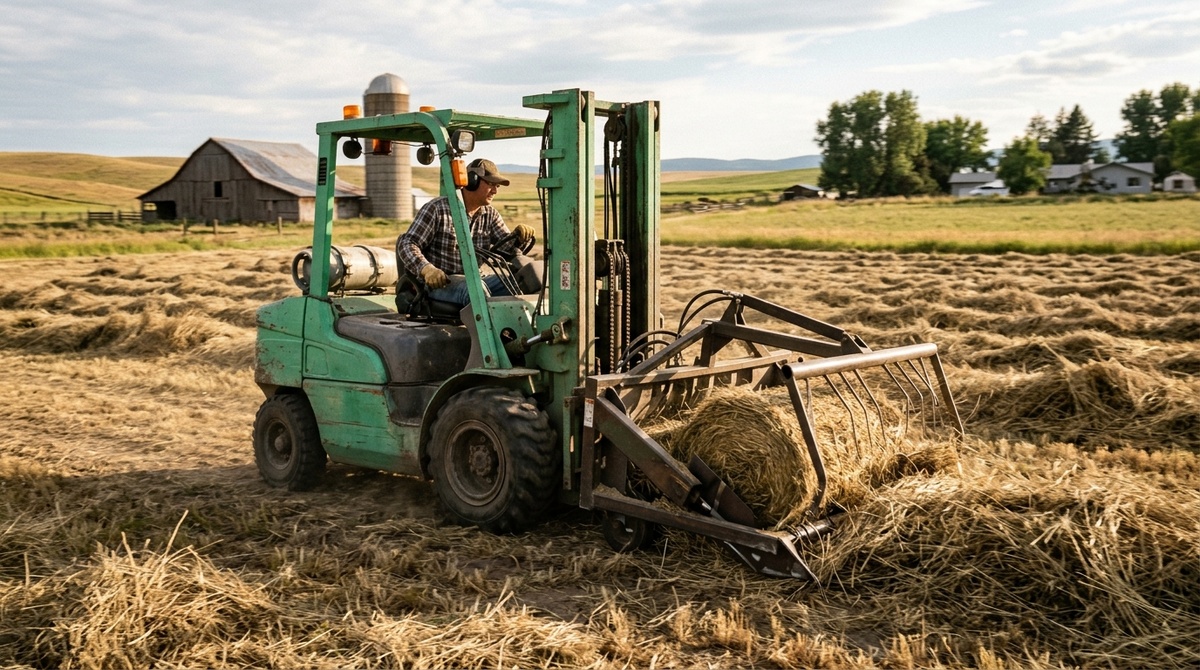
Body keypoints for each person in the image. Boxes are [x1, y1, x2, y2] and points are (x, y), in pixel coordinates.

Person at [396, 158, 535, 306]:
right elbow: (407, 243)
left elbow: (505, 248)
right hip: (441, 283)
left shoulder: (490, 214)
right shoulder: (437, 209)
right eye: (490, 184)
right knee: (475, 291)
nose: (495, 191)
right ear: (471, 181)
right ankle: (487, 329)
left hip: (476, 279)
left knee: (526, 279)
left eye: (497, 186)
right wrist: (427, 269)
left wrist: (519, 238)